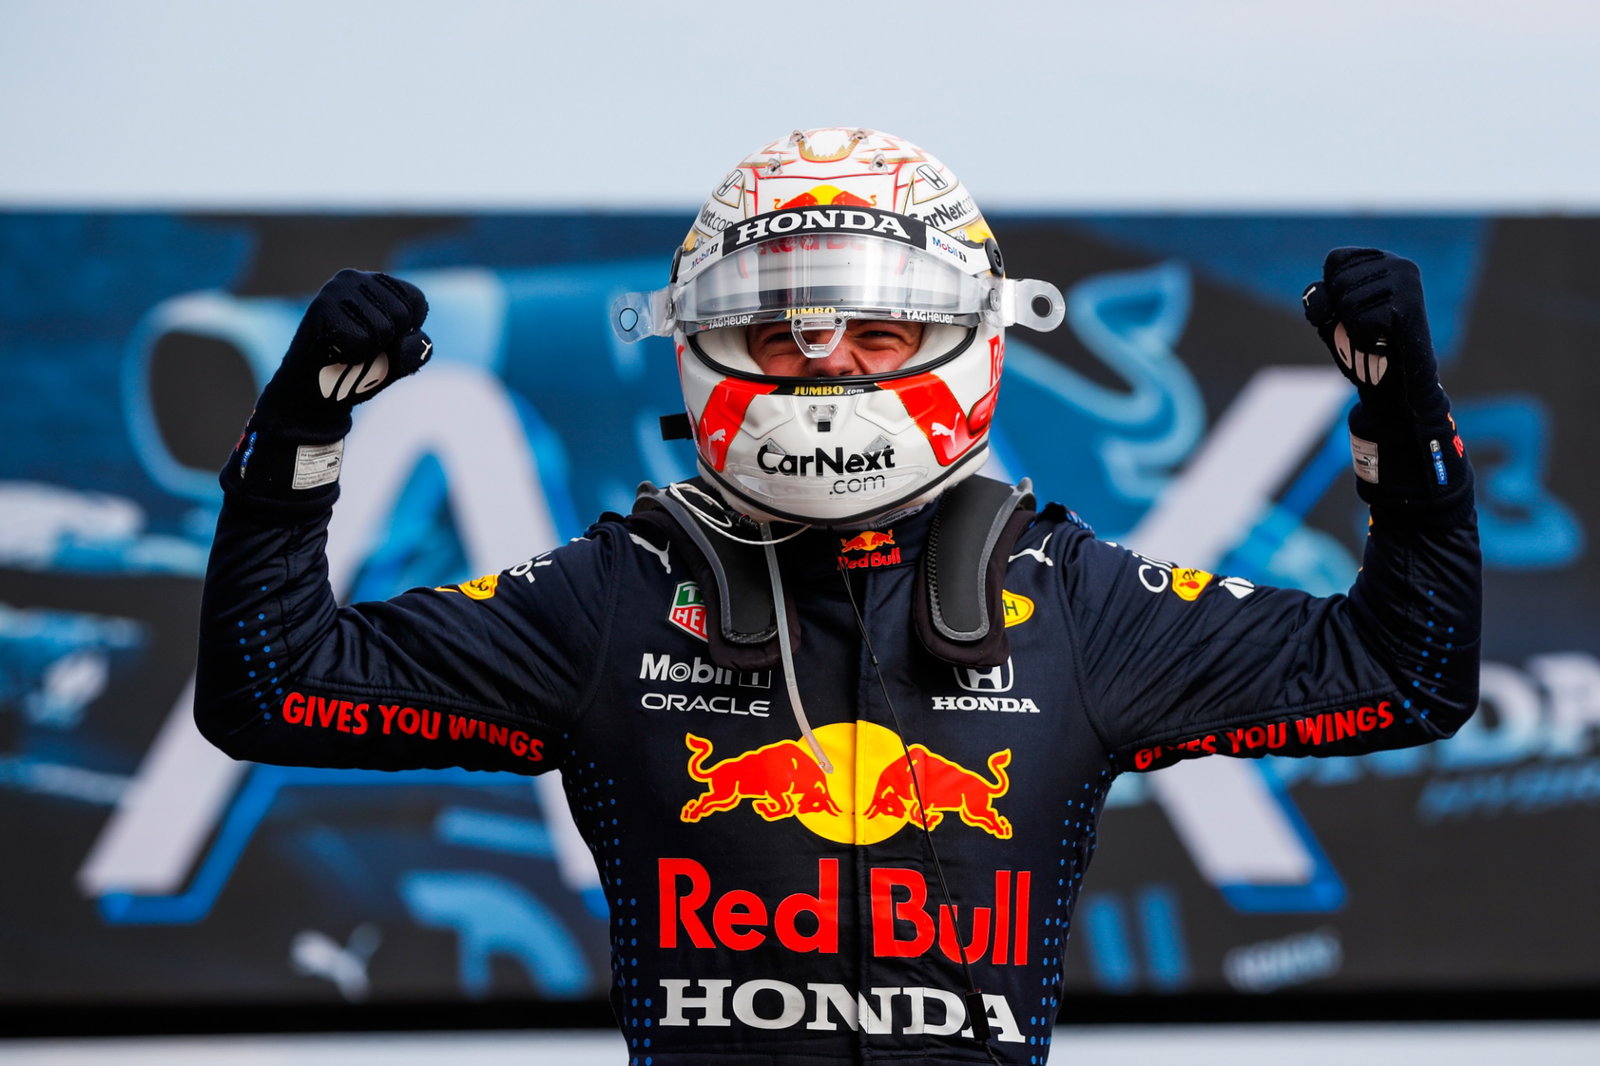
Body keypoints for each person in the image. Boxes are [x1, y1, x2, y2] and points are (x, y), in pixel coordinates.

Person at [194, 127, 1480, 1065]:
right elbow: (270, 690)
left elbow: (1405, 674)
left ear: (962, 341)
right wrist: (296, 440)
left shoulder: (1074, 594)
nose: (826, 367)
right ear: (703, 346)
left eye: (874, 333)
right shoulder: (613, 592)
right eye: (779, 333)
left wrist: (1404, 424)